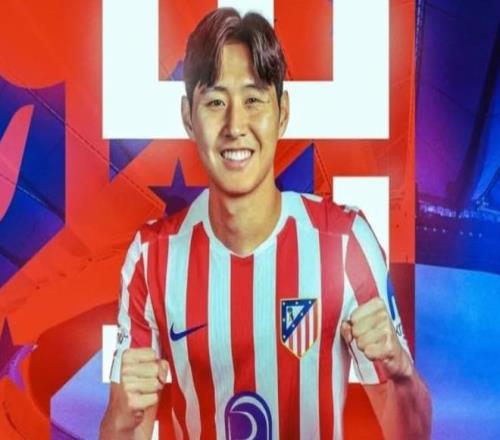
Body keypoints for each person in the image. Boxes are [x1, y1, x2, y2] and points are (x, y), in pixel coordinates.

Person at [100, 7, 431, 440]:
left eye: (253, 100)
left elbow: (413, 432)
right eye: (215, 102)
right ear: (187, 117)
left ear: (283, 112)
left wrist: (400, 369)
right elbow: (125, 426)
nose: (235, 126)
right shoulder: (151, 256)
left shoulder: (344, 242)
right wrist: (121, 415)